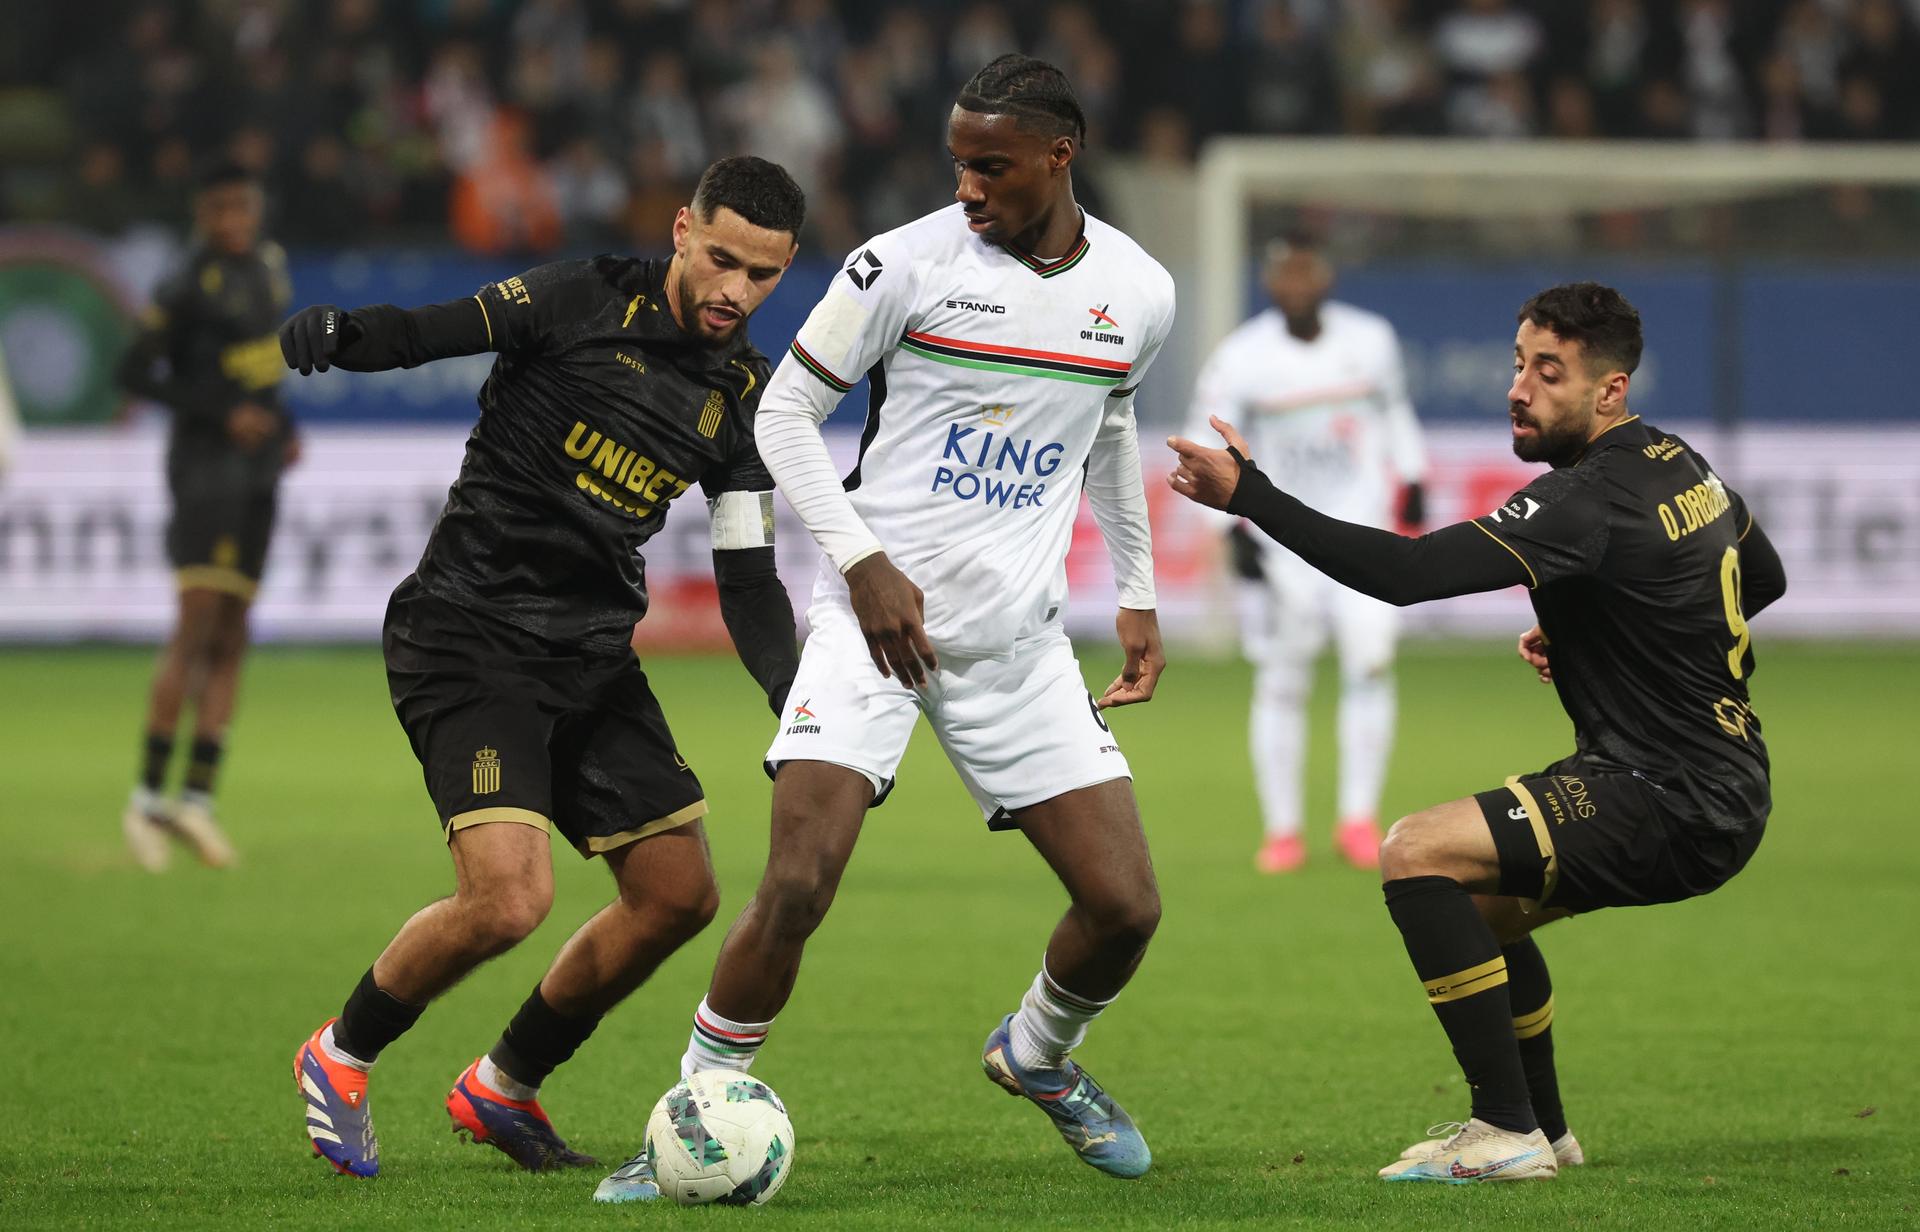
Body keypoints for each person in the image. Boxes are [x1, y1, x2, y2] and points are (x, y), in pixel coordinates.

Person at [595, 54, 1175, 1202]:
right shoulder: (901, 264)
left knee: (1126, 907)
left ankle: (1037, 1053)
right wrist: (861, 563)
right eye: (957, 159)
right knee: (800, 877)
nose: (966, 183)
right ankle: (690, 1122)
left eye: (991, 165)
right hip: (872, 622)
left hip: (1014, 640)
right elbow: (784, 414)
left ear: (1061, 155)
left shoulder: (1140, 290)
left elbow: (1110, 425)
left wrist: (1139, 586)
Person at [1168, 282, 1785, 1183]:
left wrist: (1252, 495)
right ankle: (1545, 1131)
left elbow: (1408, 573)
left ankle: (1504, 1130)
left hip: (1669, 797)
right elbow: (1757, 574)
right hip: (1717, 780)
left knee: (1416, 851)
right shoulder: (1679, 460)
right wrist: (1596, 622)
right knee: (1483, 914)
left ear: (1608, 391)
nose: (1519, 388)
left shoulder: (1587, 497)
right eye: (1517, 363)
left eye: (1549, 372)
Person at [278, 156, 807, 1180]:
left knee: (677, 893)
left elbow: (746, 575)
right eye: (726, 260)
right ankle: (340, 1052)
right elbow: (431, 330)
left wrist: (793, 696)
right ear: (683, 231)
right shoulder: (578, 298)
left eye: (766, 275)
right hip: (467, 632)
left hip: (592, 653)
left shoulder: (741, 393)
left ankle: (502, 1083)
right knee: (510, 898)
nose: (738, 291)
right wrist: (341, 335)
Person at [1186, 234, 1426, 874]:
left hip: (1364, 533)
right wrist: (1228, 533)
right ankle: (1284, 830)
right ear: (1268, 283)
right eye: (1283, 274)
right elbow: (1208, 445)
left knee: (1371, 665)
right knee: (1283, 679)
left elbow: (1395, 412)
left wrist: (1416, 476)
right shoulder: (1241, 357)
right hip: (1282, 542)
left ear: (1326, 276)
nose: (1295, 285)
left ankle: (1357, 818)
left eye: (1306, 271)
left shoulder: (1371, 340)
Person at [115, 160, 296, 872]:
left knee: (234, 633)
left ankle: (196, 800)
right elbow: (132, 372)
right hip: (204, 472)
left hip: (257, 472)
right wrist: (224, 415)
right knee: (195, 625)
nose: (234, 222)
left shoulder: (270, 267)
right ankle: (145, 798)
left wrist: (283, 426)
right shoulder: (185, 283)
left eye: (243, 208)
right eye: (220, 210)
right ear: (202, 213)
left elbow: (263, 370)